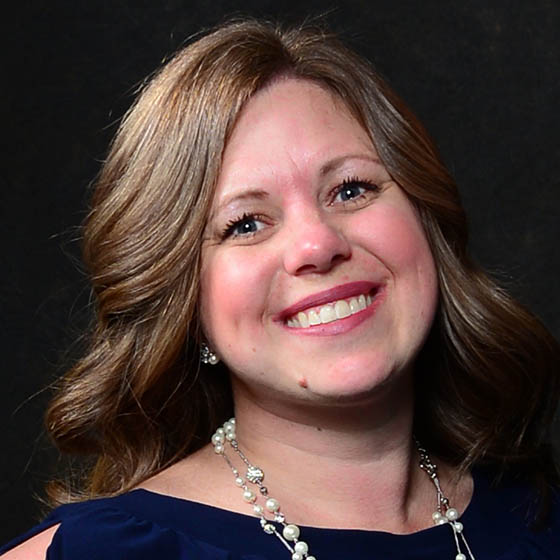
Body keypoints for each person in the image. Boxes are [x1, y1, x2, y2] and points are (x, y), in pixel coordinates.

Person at [2, 18, 559, 560]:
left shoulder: (538, 517)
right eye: (245, 223)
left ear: (425, 218)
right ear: (184, 301)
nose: (317, 245)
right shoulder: (102, 553)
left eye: (351, 189)